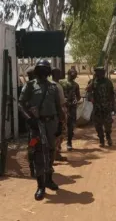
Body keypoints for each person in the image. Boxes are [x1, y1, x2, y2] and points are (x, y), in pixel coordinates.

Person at [18, 59, 63, 201]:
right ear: (37, 70)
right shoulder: (30, 86)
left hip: (51, 124)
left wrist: (60, 124)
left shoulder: (53, 87)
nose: (43, 72)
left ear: (48, 72)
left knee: (50, 152)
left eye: (45, 69)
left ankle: (49, 179)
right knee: (37, 153)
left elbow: (58, 106)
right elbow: (21, 104)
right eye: (41, 69)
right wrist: (29, 119)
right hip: (36, 125)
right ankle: (40, 186)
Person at [87, 67, 115, 147]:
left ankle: (108, 137)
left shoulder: (108, 82)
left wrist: (113, 106)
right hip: (97, 107)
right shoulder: (93, 82)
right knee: (97, 124)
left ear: (103, 73)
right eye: (96, 73)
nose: (97, 74)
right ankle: (101, 140)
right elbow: (88, 90)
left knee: (108, 124)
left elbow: (112, 94)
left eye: (99, 72)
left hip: (106, 106)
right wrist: (92, 81)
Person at [60, 69, 81, 151]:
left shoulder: (76, 85)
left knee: (70, 126)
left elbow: (78, 96)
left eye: (75, 75)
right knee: (61, 125)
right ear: (69, 74)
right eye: (73, 74)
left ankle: (69, 142)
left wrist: (76, 100)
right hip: (63, 107)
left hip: (72, 107)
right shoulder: (61, 83)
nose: (75, 76)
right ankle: (59, 144)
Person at [51, 68, 67, 161]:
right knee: (61, 133)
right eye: (59, 73)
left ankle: (56, 153)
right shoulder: (56, 86)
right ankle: (55, 153)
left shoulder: (52, 84)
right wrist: (63, 113)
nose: (60, 74)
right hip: (59, 111)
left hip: (54, 111)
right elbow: (60, 102)